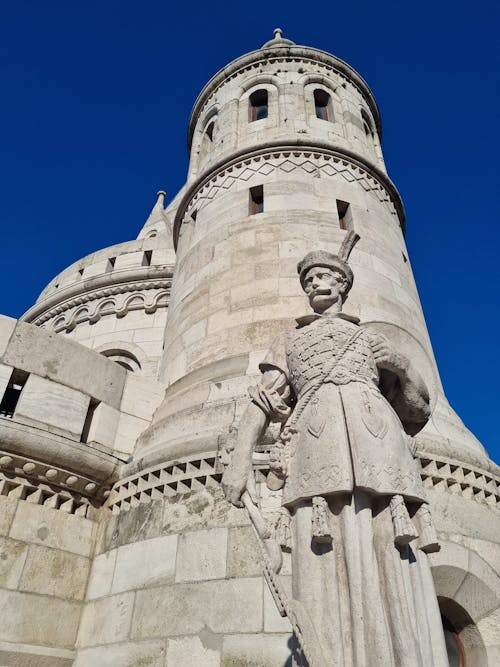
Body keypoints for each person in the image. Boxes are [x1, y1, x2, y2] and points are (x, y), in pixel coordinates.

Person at [222, 234, 448, 666]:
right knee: (323, 547)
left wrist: (401, 366)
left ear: (343, 285)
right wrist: (237, 461)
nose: (316, 285)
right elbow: (263, 401)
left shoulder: (372, 338)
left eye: (325, 277)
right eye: (309, 279)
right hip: (317, 446)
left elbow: (416, 410)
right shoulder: (288, 342)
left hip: (379, 446)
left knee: (389, 542)